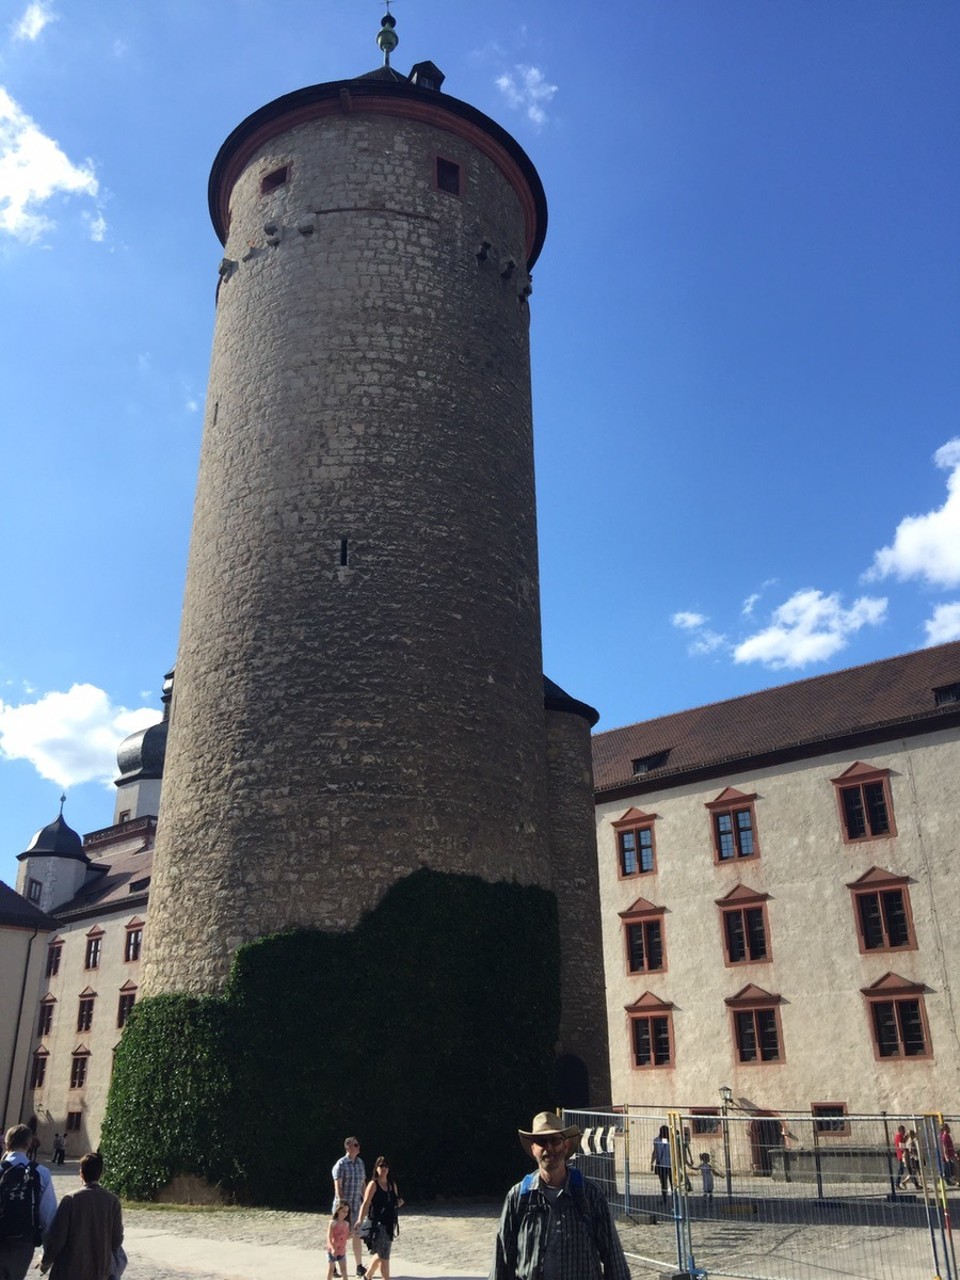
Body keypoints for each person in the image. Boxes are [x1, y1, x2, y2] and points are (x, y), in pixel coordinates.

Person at [490, 1110, 631, 1280]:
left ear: (565, 1146)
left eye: (555, 1140)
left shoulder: (589, 1194)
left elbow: (613, 1258)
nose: (549, 1148)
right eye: (542, 1141)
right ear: (533, 1148)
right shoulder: (519, 1197)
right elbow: (502, 1261)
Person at [38, 1151, 123, 1280]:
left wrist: (46, 1261)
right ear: (101, 1174)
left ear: (81, 1173)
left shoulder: (71, 1200)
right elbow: (116, 1240)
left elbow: (58, 1238)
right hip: (99, 1270)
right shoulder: (112, 1201)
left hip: (70, 1270)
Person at [0, 1123, 57, 1280]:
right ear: (29, 1144)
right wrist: (47, 1253)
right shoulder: (41, 1173)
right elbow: (48, 1215)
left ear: (6, 1143)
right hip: (23, 1242)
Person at [355, 1157, 403, 1280]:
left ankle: (368, 1275)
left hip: (389, 1224)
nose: (384, 1168)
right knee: (385, 1257)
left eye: (386, 1166)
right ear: (376, 1168)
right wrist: (360, 1220)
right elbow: (366, 1203)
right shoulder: (373, 1184)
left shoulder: (392, 1185)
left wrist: (398, 1203)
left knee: (381, 1254)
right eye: (381, 1166)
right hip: (377, 1224)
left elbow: (394, 1202)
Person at [333, 1137, 367, 1277]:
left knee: (357, 1234)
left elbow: (363, 1184)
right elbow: (338, 1185)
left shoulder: (360, 1163)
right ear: (348, 1147)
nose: (358, 1147)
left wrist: (367, 1200)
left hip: (356, 1206)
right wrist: (343, 1205)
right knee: (338, 1237)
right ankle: (333, 1265)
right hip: (343, 1207)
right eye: (356, 1145)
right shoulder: (341, 1164)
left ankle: (359, 1266)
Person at [327, 1199, 352, 1280]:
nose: (345, 1213)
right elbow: (329, 1237)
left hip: (342, 1250)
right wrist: (332, 1248)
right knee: (331, 1269)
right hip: (332, 1250)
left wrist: (351, 1234)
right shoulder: (333, 1222)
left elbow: (346, 1237)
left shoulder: (347, 1224)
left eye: (347, 1212)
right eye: (343, 1211)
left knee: (344, 1270)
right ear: (338, 1210)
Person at [651, 1125, 671, 1204]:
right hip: (670, 1164)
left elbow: (655, 1153)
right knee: (673, 1183)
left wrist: (652, 1163)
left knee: (663, 1183)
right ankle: (675, 1199)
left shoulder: (656, 1140)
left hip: (661, 1165)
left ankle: (664, 1199)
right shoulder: (671, 1141)